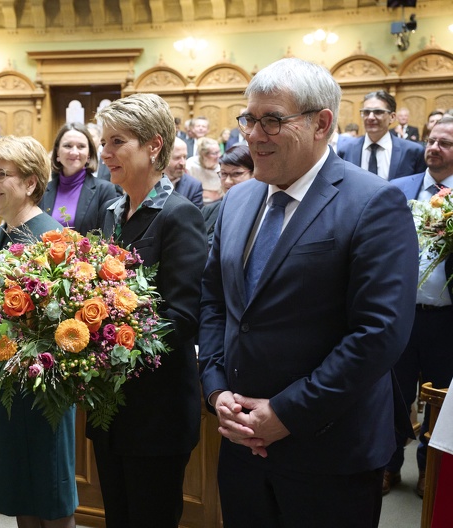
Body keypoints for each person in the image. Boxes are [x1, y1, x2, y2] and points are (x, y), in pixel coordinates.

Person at [198, 57, 418, 528]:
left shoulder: (374, 202)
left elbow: (378, 334)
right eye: (249, 119)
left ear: (322, 123)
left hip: (330, 449)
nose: (254, 135)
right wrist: (216, 390)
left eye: (272, 120)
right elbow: (216, 303)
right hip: (240, 442)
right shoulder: (238, 199)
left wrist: (286, 412)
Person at [89, 93, 207, 528]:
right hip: (111, 405)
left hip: (156, 409)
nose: (105, 153)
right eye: (104, 142)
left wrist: (111, 342)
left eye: (117, 142)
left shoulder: (179, 215)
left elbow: (183, 316)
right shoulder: (111, 212)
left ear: (154, 146)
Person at [0, 135, 79, 528]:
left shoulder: (53, 238)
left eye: (2, 174)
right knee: (21, 493)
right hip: (4, 386)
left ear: (31, 182)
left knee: (51, 496)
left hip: (43, 389)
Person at [386, 115, 453, 498]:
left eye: (445, 143)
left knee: (440, 400)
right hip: (400, 316)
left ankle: (431, 469)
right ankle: (388, 466)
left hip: (445, 320)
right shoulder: (399, 190)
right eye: (430, 140)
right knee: (393, 394)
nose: (433, 148)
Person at [40, 123, 117, 235]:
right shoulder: (42, 191)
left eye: (81, 146)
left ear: (89, 153)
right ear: (57, 152)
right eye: (68, 146)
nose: (74, 152)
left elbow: (108, 239)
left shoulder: (105, 190)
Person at [337, 91, 426, 180]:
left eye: (378, 112)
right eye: (366, 112)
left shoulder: (412, 152)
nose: (370, 117)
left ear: (392, 117)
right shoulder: (346, 150)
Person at [202, 144, 254, 246]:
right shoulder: (209, 210)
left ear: (254, 174)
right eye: (223, 174)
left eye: (236, 174)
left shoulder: (260, 212)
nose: (227, 181)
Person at [165, 139, 203, 209]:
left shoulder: (194, 186)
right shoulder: (149, 181)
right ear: (164, 158)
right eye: (177, 158)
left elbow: (194, 218)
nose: (183, 163)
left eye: (185, 157)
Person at [186, 137, 223, 204]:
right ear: (204, 155)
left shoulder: (222, 166)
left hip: (217, 203)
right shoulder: (190, 165)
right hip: (195, 203)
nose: (219, 155)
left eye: (219, 151)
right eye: (215, 153)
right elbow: (187, 189)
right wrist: (207, 193)